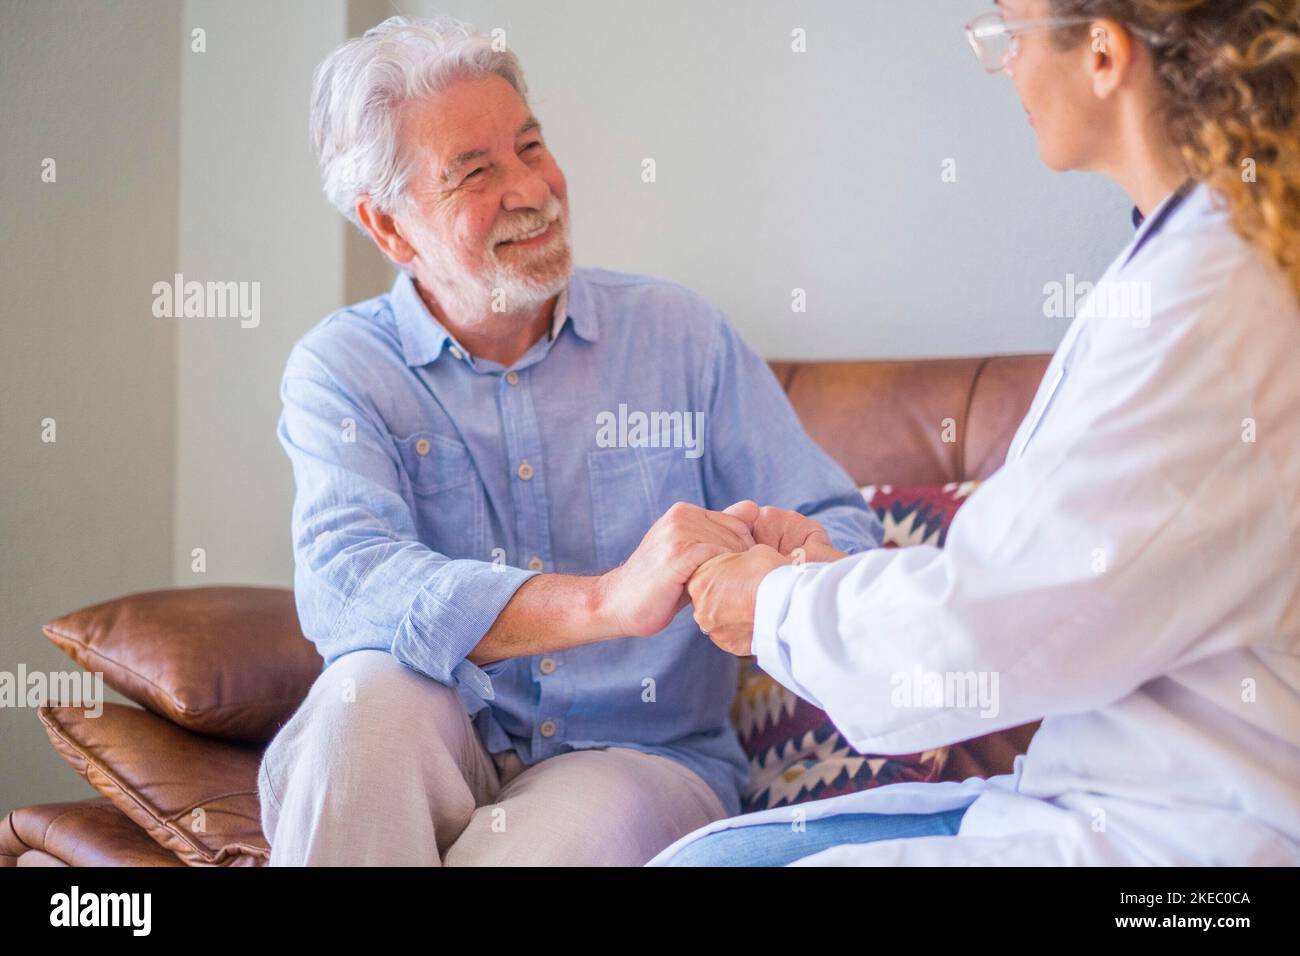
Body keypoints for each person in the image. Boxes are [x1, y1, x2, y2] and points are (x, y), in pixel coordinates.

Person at [653, 0, 1300, 866]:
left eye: (1007, 34)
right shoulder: (1185, 254)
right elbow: (1031, 581)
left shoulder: (1211, 305)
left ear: (1103, 53)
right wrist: (832, 583)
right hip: (1120, 797)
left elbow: (987, 629)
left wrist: (772, 603)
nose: (1002, 67)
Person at [255, 14, 881, 866]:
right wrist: (604, 601)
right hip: (440, 734)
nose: (532, 189)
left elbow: (835, 522)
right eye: (476, 171)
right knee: (361, 701)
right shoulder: (342, 367)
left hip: (637, 755)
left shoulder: (680, 335)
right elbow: (351, 585)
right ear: (391, 229)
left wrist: (791, 562)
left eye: (531, 145)